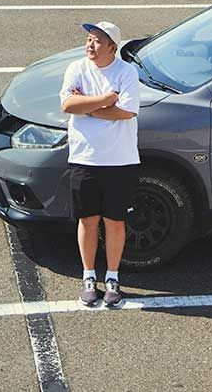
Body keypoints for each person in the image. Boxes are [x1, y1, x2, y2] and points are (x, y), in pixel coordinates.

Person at [59, 21, 140, 308]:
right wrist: (105, 100)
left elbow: (126, 113)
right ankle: (89, 276)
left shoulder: (127, 73)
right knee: (87, 220)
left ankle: (113, 278)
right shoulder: (76, 69)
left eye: (97, 41)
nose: (90, 45)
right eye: (89, 39)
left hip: (120, 160)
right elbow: (68, 106)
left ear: (112, 47)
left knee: (115, 222)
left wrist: (87, 107)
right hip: (84, 158)